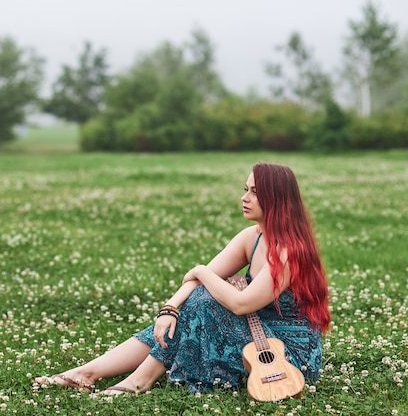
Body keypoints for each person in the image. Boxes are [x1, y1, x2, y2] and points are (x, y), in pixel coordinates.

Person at [35, 162, 330, 396]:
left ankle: (138, 380)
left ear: (276, 199)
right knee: (190, 306)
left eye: (254, 192)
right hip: (255, 333)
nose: (244, 198)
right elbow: (195, 285)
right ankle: (87, 372)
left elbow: (241, 304)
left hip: (287, 355)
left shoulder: (289, 251)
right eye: (245, 189)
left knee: (204, 300)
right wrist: (169, 310)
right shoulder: (252, 238)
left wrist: (202, 271)